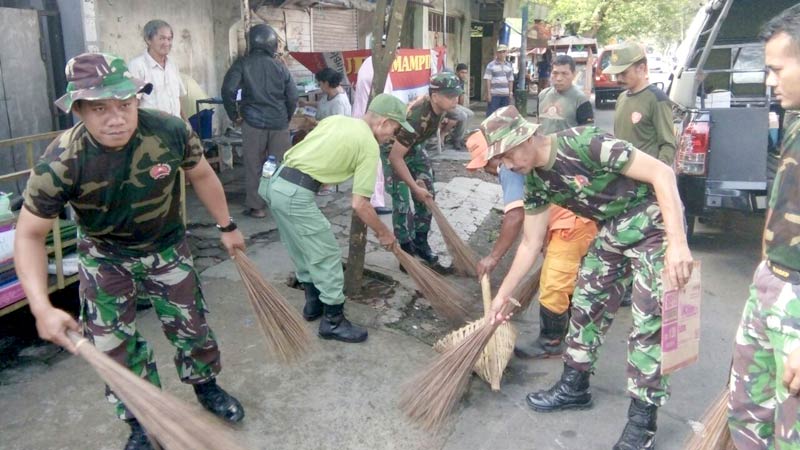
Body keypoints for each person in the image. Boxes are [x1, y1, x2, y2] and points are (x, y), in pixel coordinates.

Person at [14, 53, 246, 450]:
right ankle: (143, 418)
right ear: (78, 109)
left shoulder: (170, 132)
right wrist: (40, 307)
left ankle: (205, 385)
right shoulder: (62, 161)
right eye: (99, 108)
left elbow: (203, 174)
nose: (116, 117)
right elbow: (29, 235)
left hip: (167, 248)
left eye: (125, 104)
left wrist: (228, 226)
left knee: (192, 328)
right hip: (105, 257)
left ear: (138, 99)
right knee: (112, 346)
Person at [483, 105, 693, 450]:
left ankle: (643, 422)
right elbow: (530, 242)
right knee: (584, 304)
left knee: (649, 323)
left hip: (653, 225)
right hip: (612, 230)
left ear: (527, 137)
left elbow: (662, 174)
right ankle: (575, 386)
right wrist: (503, 296)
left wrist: (679, 243)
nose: (506, 165)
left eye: (507, 155)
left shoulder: (586, 143)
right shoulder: (535, 182)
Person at [262, 94, 412, 343]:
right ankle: (333, 321)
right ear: (384, 122)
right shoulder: (368, 145)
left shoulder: (338, 120)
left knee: (300, 246)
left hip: (274, 183)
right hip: (296, 194)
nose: (393, 136)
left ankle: (313, 304)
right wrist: (384, 233)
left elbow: (313, 149)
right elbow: (360, 204)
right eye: (395, 129)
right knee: (327, 254)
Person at [728, 5, 800, 448]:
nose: (769, 81)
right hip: (773, 284)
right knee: (749, 417)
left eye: (776, 69)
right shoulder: (795, 121)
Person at [514, 54, 598, 359]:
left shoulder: (581, 102)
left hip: (571, 179)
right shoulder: (544, 96)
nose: (557, 78)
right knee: (558, 259)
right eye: (555, 73)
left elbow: (589, 139)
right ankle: (570, 323)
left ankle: (552, 340)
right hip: (549, 175)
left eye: (563, 74)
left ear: (573, 75)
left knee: (556, 274)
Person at [222, 23, 298, 219]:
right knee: (278, 166)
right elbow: (292, 96)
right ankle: (279, 205)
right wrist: (286, 117)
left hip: (253, 124)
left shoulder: (242, 64)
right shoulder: (281, 67)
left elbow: (228, 90)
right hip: (279, 123)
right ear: (272, 43)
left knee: (254, 165)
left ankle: (257, 208)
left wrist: (234, 115)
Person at [386, 72, 463, 267]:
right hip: (393, 149)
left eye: (457, 95)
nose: (456, 100)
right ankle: (406, 250)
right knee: (402, 200)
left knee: (427, 193)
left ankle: (421, 242)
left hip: (414, 146)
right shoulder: (417, 118)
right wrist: (413, 185)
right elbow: (396, 157)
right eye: (450, 96)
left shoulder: (441, 106)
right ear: (436, 97)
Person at [603, 42, 677, 166]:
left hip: (645, 177)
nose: (619, 79)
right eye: (616, 74)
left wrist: (657, 175)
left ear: (641, 68)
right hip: (622, 175)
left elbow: (668, 144)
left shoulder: (657, 99)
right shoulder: (622, 97)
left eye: (624, 73)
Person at [467, 132, 526, 282]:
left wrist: (493, 257)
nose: (485, 170)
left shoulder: (509, 170)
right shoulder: (516, 161)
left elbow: (515, 216)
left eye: (485, 164)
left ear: (496, 156)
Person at [299, 67, 352, 195]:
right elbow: (322, 103)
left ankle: (327, 183)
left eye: (320, 83)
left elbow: (335, 126)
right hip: (324, 131)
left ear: (327, 83)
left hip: (335, 137)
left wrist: (314, 123)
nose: (319, 86)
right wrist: (307, 103)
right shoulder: (330, 93)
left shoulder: (339, 101)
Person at [352, 56, 394, 215]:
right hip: (371, 122)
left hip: (369, 119)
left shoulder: (372, 64)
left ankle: (370, 198)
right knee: (373, 161)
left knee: (373, 161)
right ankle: (374, 201)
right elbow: (385, 100)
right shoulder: (376, 68)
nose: (396, 55)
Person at [128, 19, 186, 118]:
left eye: (169, 39)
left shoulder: (172, 64)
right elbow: (133, 103)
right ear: (148, 40)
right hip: (152, 131)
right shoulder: (137, 66)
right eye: (162, 38)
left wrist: (186, 122)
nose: (167, 43)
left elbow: (177, 98)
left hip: (175, 128)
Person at [443, 63, 475, 150]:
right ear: (456, 72)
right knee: (463, 116)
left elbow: (461, 97)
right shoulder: (452, 81)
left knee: (471, 114)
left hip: (454, 105)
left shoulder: (461, 81)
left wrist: (460, 108)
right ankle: (456, 140)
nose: (464, 75)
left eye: (465, 73)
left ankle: (459, 137)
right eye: (462, 72)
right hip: (446, 105)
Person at [483, 44, 514, 116]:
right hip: (494, 94)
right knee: (492, 115)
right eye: (500, 52)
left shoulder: (509, 65)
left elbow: (510, 80)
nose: (502, 54)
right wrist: (488, 94)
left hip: (505, 94)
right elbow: (488, 79)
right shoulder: (491, 65)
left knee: (503, 115)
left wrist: (510, 92)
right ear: (497, 53)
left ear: (506, 53)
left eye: (504, 52)